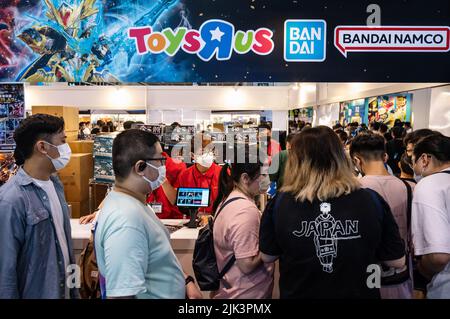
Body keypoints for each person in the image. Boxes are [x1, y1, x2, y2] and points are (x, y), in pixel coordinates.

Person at [259, 126, 406, 299]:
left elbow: (268, 256)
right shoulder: (371, 200)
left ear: (296, 161)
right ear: (341, 158)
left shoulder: (280, 203)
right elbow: (397, 260)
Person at [94, 129, 201, 299]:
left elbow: (158, 258)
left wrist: (185, 280)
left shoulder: (135, 205)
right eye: (160, 160)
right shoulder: (126, 221)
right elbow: (123, 294)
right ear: (140, 167)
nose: (164, 167)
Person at [0, 114, 78, 299]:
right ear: (42, 147)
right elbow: (5, 273)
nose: (67, 148)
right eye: (63, 141)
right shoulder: (11, 200)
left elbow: (65, 250)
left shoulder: (55, 185)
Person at [350, 132, 414, 299]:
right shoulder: (408, 186)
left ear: (357, 160)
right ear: (385, 157)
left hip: (368, 273)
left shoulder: (355, 189)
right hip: (402, 272)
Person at [211, 150, 274, 299]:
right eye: (263, 175)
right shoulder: (245, 211)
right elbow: (246, 265)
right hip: (246, 294)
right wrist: (270, 249)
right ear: (245, 178)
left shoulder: (228, 201)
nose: (268, 180)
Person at [411, 134, 450, 299]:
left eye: (414, 161)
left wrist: (422, 270)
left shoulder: (429, 185)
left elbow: (439, 256)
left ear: (424, 159)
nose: (413, 167)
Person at [163, 132, 222, 215]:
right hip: (193, 221)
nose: (207, 155)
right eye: (202, 152)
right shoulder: (185, 175)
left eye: (210, 151)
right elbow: (177, 200)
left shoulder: (223, 173)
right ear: (192, 155)